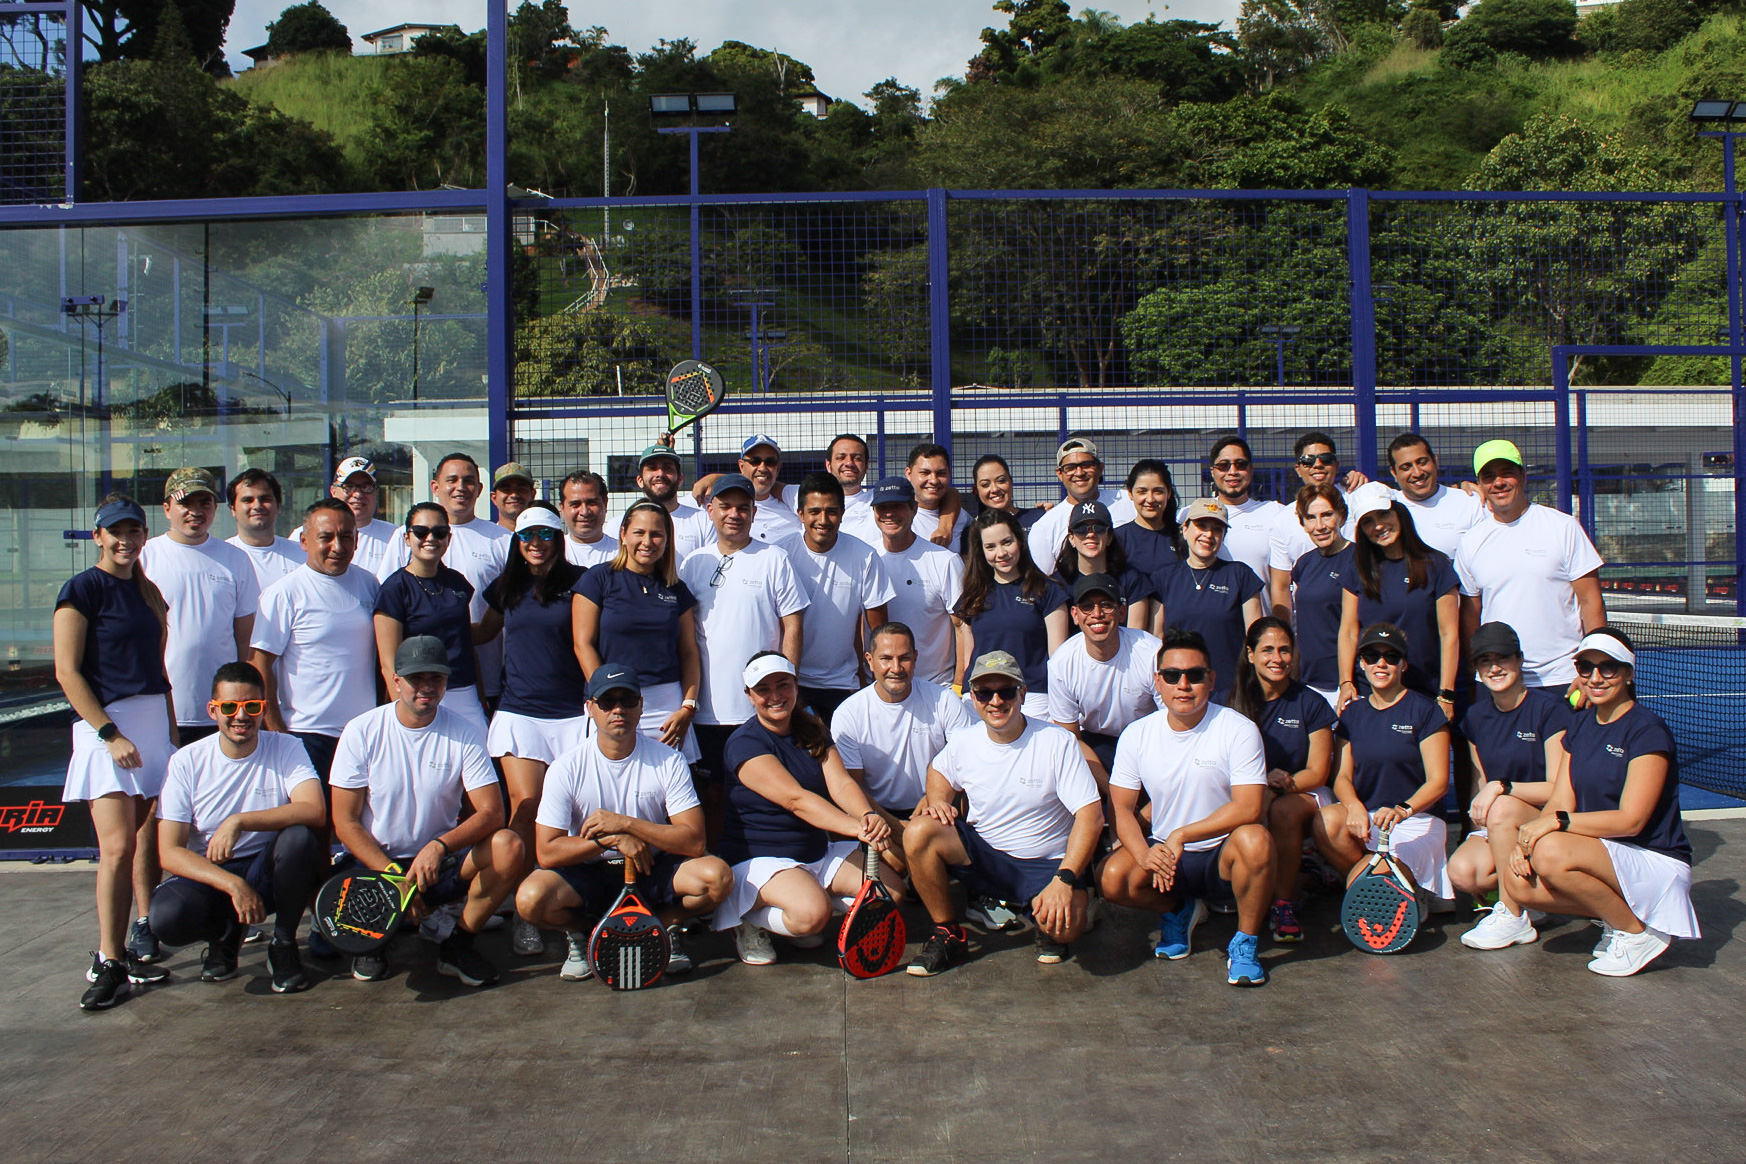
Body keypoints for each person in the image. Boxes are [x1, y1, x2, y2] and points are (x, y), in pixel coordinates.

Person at [1474, 628, 1699, 975]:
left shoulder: (1646, 730)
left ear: (1628, 674)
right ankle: (1616, 914)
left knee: (1550, 851)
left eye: (1608, 668)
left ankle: (1634, 932)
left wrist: (1555, 825)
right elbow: (1561, 797)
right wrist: (1527, 839)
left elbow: (1631, 822)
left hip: (1653, 859)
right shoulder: (1579, 726)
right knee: (1517, 883)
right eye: (1586, 667)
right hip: (1602, 851)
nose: (1595, 677)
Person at [516, 664, 731, 981]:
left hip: (651, 868)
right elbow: (546, 853)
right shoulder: (565, 768)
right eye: (607, 701)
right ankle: (586, 934)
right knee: (530, 899)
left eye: (628, 700)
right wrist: (610, 840)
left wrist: (626, 825)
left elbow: (695, 841)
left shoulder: (668, 759)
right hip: (590, 871)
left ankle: (660, 926)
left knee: (718, 877)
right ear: (590, 708)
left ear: (641, 706)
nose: (618, 709)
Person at [329, 636, 523, 986]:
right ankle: (374, 943)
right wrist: (393, 877)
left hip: (436, 864)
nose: (427, 687)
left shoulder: (464, 732)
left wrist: (439, 847)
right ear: (396, 681)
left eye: (436, 678)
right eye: (417, 678)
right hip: (377, 865)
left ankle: (458, 944)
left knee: (508, 845)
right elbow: (344, 822)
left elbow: (492, 812)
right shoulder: (361, 731)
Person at [903, 650, 1103, 975]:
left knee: (1065, 930)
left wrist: (1064, 878)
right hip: (987, 858)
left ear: (1022, 694)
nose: (995, 701)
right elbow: (938, 772)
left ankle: (1060, 908)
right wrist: (938, 798)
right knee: (919, 830)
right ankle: (948, 933)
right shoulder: (964, 741)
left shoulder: (1058, 742)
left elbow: (1090, 816)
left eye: (1006, 691)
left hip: (1045, 864)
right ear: (974, 698)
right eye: (984, 692)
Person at [1100, 627, 1275, 986]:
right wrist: (1146, 855)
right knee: (1113, 879)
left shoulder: (1238, 729)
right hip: (1167, 857)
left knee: (1256, 840)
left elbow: (1249, 807)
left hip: (1221, 856)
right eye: (1172, 675)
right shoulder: (1137, 733)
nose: (1183, 685)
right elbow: (1120, 807)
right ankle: (1178, 909)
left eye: (1194, 675)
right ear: (1157, 682)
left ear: (1211, 680)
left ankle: (1244, 942)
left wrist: (1183, 834)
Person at [55, 495, 176, 1010]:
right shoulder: (81, 589)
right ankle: (109, 960)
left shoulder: (148, 591)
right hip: (108, 729)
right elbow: (67, 671)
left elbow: (158, 669)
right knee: (118, 849)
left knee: (141, 839)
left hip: (150, 727)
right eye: (115, 532)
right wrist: (109, 733)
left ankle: (126, 948)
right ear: (98, 536)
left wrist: (166, 734)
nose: (125, 540)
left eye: (133, 531)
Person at [148, 662, 325, 994]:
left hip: (266, 870)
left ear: (264, 709)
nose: (240, 716)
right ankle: (224, 938)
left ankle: (283, 944)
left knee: (299, 839)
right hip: (214, 873)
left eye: (251, 706)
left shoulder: (285, 747)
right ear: (213, 710)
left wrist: (239, 821)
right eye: (229, 707)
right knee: (166, 918)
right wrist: (232, 884)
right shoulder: (187, 761)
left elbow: (313, 809)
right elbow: (168, 851)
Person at [712, 653, 897, 965]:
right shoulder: (743, 743)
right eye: (763, 689)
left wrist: (867, 816)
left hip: (815, 851)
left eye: (782, 685)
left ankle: (802, 906)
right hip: (760, 857)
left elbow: (841, 784)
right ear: (749, 696)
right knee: (812, 917)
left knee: (891, 894)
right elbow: (795, 800)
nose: (775, 696)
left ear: (795, 686)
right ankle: (745, 919)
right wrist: (858, 829)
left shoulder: (812, 729)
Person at [476, 504, 589, 956]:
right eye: (526, 536)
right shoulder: (506, 587)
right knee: (525, 810)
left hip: (572, 714)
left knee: (569, 815)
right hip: (519, 713)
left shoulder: (582, 581)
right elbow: (479, 634)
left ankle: (563, 903)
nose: (535, 543)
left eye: (544, 534)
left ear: (558, 538)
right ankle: (525, 913)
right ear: (516, 543)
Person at [678, 474, 808, 793]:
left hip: (759, 706)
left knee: (763, 793)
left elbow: (793, 625)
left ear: (753, 512)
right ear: (710, 510)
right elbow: (684, 639)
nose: (734, 514)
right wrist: (689, 700)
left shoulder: (774, 559)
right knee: (711, 796)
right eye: (725, 506)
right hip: (706, 709)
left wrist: (785, 686)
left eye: (742, 508)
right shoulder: (693, 563)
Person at [1314, 623, 1453, 903]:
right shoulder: (1353, 713)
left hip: (1416, 819)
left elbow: (1438, 782)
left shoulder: (1426, 711)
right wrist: (1353, 806)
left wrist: (1402, 810)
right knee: (1326, 820)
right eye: (1372, 656)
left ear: (1404, 665)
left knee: (1379, 882)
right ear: (1362, 664)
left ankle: (1402, 890)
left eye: (1391, 657)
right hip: (1370, 818)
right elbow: (1341, 777)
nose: (1381, 663)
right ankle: (1380, 886)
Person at [1456, 439, 1606, 691]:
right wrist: (1476, 669)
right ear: (1481, 484)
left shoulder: (1563, 527)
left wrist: (1593, 666)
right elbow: (1471, 614)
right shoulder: (1471, 542)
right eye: (1489, 476)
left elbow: (1591, 602)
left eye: (1507, 474)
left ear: (1523, 476)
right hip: (1498, 681)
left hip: (1563, 679)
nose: (1499, 482)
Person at [248, 498, 379, 782]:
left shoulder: (370, 584)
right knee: (312, 822)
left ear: (357, 541)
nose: (338, 546)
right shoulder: (284, 593)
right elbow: (261, 664)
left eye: (346, 537)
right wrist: (276, 731)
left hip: (363, 734)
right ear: (304, 541)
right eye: (326, 537)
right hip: (307, 735)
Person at [1448, 621, 1571, 913]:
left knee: (1501, 805)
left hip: (1546, 818)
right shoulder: (1475, 718)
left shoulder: (1550, 711)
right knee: (1463, 871)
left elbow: (1557, 789)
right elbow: (1481, 784)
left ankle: (1511, 909)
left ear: (1519, 659)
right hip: (1501, 822)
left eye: (1502, 658)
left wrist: (1502, 788)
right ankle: (1529, 894)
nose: (1494, 668)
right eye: (1485, 661)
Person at [375, 452, 512, 710]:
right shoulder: (399, 548)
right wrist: (400, 704)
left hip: (475, 681)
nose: (461, 487)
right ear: (435, 486)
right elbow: (388, 646)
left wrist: (480, 694)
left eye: (469, 480)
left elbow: (470, 632)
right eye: (452, 479)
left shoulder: (501, 541)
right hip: (417, 691)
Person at [1229, 618, 1335, 945]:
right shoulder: (1228, 702)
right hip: (1252, 792)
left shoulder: (1311, 702)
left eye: (1285, 650)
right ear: (1250, 654)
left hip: (1302, 792)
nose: (1278, 658)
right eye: (1268, 650)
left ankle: (1283, 904)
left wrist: (1276, 788)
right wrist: (1261, 784)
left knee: (1283, 811)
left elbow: (1317, 771)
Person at [573, 500, 702, 761]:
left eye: (657, 534)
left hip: (666, 707)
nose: (648, 541)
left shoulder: (676, 589)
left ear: (667, 540)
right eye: (639, 533)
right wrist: (604, 695)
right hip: (613, 702)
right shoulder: (597, 579)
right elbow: (582, 644)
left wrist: (687, 706)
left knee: (667, 786)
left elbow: (689, 651)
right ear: (623, 535)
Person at [832, 622, 976, 854]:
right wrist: (894, 826)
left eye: (904, 658)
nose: (896, 668)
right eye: (886, 658)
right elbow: (852, 787)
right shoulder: (849, 714)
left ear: (916, 658)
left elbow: (965, 763)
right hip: (878, 816)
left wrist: (933, 798)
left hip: (936, 808)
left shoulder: (944, 700)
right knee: (897, 872)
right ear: (869, 661)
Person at [142, 465, 259, 748]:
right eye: (185, 503)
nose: (195, 511)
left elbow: (245, 637)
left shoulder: (235, 559)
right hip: (161, 709)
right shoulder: (145, 557)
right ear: (167, 508)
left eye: (204, 503)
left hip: (223, 712)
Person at [1338, 482, 1460, 718]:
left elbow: (1449, 634)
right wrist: (1346, 682)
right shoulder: (1356, 568)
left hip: (1425, 688)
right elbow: (1349, 631)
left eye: (1383, 514)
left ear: (1399, 512)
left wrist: (1446, 693)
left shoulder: (1436, 565)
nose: (1379, 525)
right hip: (1371, 691)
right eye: (1368, 521)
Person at [781, 473, 894, 726]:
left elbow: (877, 630)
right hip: (791, 681)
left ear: (842, 513)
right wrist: (785, 681)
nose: (823, 520)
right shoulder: (780, 555)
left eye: (831, 511)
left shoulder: (865, 556)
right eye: (814, 512)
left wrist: (873, 681)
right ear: (801, 514)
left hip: (843, 683)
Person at [373, 502, 487, 736]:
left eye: (439, 532)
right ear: (407, 538)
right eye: (421, 532)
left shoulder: (457, 582)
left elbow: (465, 641)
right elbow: (388, 662)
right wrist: (405, 711)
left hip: (464, 692)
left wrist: (481, 698)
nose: (430, 538)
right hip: (420, 693)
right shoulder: (394, 589)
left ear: (448, 537)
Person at [1047, 574, 1163, 786]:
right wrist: (1111, 789)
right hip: (1095, 746)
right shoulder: (1061, 663)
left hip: (1150, 743)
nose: (1097, 614)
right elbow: (1071, 738)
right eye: (1087, 607)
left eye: (1106, 605)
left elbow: (1171, 723)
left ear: (1122, 612)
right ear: (1075, 614)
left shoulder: (1152, 652)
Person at [954, 509, 1069, 717]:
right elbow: (969, 655)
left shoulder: (1048, 591)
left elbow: (1058, 659)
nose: (1001, 553)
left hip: (1033, 697)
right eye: (990, 546)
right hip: (981, 696)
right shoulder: (973, 595)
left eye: (1007, 542)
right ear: (981, 551)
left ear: (1020, 540)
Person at [1149, 498, 1264, 704]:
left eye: (1217, 529)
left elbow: (1254, 639)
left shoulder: (1240, 575)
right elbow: (1157, 638)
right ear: (1185, 529)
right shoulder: (1164, 578)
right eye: (1201, 526)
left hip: (1230, 691)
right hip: (1181, 690)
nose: (1209, 535)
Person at [866, 476, 964, 687]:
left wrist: (958, 686)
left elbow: (963, 628)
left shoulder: (944, 561)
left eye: (898, 506)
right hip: (881, 689)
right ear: (874, 513)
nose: (889, 513)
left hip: (937, 689)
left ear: (914, 509)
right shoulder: (865, 558)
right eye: (883, 507)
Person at [1266, 432, 1364, 617]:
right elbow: (1280, 586)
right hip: (1310, 622)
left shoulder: (1358, 499)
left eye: (1325, 459)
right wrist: (1287, 637)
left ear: (1336, 465)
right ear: (1298, 468)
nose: (1317, 465)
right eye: (1308, 461)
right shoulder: (1282, 519)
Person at [1286, 484, 1354, 706]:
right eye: (1311, 518)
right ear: (1303, 523)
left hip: (1348, 684)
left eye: (1327, 515)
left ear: (1341, 516)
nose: (1320, 526)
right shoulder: (1304, 564)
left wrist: (1347, 681)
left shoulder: (1360, 560)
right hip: (1310, 682)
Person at [1050, 500, 1158, 633]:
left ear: (1109, 537)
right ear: (1072, 538)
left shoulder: (1132, 579)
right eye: (1081, 530)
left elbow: (1135, 637)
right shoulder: (1058, 583)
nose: (1090, 534)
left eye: (1099, 528)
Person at [1025, 437, 1132, 568]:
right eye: (1070, 468)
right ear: (1059, 473)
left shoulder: (1130, 502)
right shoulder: (1044, 528)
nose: (1079, 473)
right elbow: (1048, 581)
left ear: (1100, 468)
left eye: (1087, 465)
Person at [1386, 433, 1484, 559]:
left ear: (1435, 461)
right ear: (1394, 473)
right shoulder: (1385, 506)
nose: (1417, 473)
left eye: (1422, 462)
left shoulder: (1469, 502)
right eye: (1406, 467)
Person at [1204, 436, 1281, 586]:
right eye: (1224, 465)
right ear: (1213, 471)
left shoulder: (1274, 512)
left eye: (1240, 464)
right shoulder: (1191, 517)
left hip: (1261, 609)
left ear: (1250, 469)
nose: (1232, 471)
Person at [632, 444, 715, 562]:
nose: (660, 474)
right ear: (640, 480)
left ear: (680, 479)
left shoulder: (704, 521)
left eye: (667, 469)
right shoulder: (620, 524)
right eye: (652, 468)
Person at [225, 468, 301, 591]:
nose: (257, 506)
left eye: (265, 499)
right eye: (248, 500)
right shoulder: (222, 558)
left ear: (278, 506)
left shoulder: (302, 555)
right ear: (233, 509)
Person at [957, 453, 1048, 556]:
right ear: (976, 490)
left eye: (1001, 481)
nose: (995, 489)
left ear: (1011, 482)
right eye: (985, 484)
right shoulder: (972, 533)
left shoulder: (1040, 518)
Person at [1113, 458, 1184, 581]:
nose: (1150, 499)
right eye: (1142, 492)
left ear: (1169, 493)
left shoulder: (1183, 536)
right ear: (1130, 493)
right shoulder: (1117, 539)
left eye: (1158, 491)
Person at [331, 457, 400, 578]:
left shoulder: (395, 536)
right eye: (348, 487)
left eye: (366, 487)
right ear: (333, 491)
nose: (358, 494)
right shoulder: (308, 534)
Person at [735, 434, 804, 544]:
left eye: (770, 462)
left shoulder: (793, 511)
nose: (762, 468)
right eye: (755, 461)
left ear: (778, 468)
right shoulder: (727, 510)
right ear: (741, 466)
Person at [558, 469, 619, 568]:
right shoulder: (554, 554)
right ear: (562, 508)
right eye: (575, 504)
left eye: (592, 503)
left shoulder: (624, 554)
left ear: (605, 504)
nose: (584, 512)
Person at [490, 461, 537, 533]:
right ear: (494, 498)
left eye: (521, 489)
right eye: (506, 489)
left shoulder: (543, 540)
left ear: (533, 495)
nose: (514, 495)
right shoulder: (486, 541)